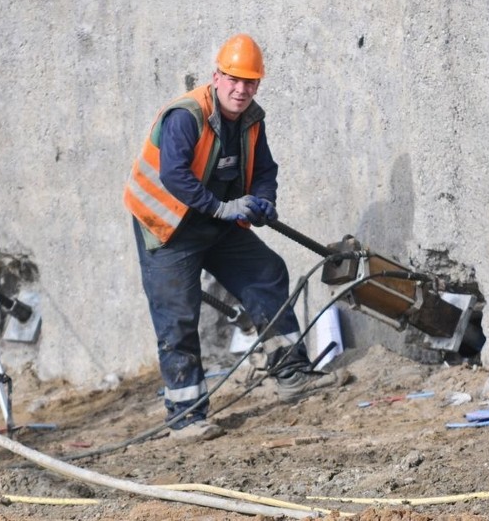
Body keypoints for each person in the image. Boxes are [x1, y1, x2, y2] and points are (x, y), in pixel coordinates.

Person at [124, 33, 335, 442]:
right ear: (216, 76)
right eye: (233, 79)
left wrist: (263, 199)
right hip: (167, 228)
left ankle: (289, 371)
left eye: (250, 82)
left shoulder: (252, 119)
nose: (241, 89)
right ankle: (185, 418)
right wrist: (224, 208)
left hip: (214, 223)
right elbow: (174, 175)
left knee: (267, 272)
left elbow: (266, 169)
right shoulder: (186, 115)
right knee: (178, 317)